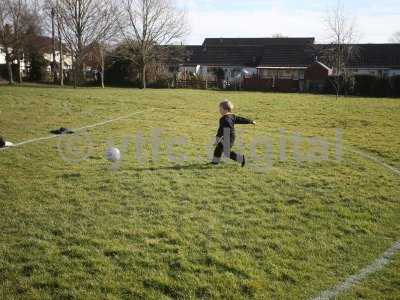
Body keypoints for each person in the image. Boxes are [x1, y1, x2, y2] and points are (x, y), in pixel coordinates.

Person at [212, 100, 255, 167]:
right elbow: (240, 119)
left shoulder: (224, 119)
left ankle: (241, 159)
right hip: (230, 135)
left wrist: (218, 137)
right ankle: (215, 162)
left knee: (226, 152)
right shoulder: (232, 116)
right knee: (219, 148)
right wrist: (250, 121)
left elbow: (221, 130)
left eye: (220, 109)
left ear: (225, 110)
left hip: (228, 135)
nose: (219, 111)